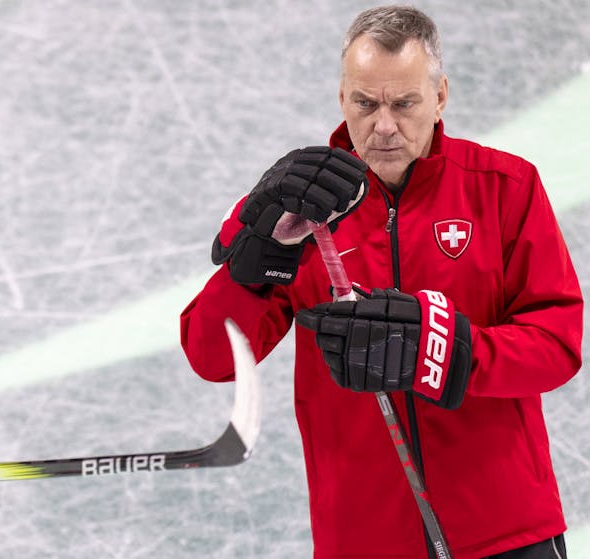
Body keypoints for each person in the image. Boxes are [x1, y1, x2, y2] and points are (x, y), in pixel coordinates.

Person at [180, 5, 582, 559]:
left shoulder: (504, 187)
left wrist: (442, 353)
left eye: (405, 103)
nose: (384, 125)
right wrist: (261, 254)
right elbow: (212, 355)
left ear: (440, 96)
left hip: (505, 530)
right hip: (364, 538)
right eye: (366, 104)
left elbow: (556, 345)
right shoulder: (299, 214)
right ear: (342, 97)